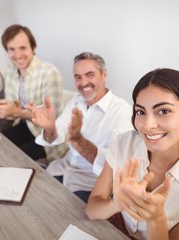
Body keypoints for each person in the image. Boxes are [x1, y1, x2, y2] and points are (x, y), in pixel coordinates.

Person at [86, 68, 179, 239]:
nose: (148, 125)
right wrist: (116, 203)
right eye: (141, 112)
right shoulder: (124, 143)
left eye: (163, 111)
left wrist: (156, 221)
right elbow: (92, 210)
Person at [26, 52, 134, 203]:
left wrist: (78, 141)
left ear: (104, 74)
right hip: (63, 168)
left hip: (90, 183)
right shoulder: (76, 102)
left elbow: (113, 164)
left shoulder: (122, 111)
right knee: (33, 196)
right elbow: (57, 134)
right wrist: (50, 128)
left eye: (90, 75)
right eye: (78, 77)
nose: (83, 82)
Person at [0, 24, 67, 161]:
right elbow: (14, 108)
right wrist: (3, 111)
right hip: (26, 126)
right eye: (11, 49)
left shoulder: (49, 73)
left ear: (33, 48)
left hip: (47, 136)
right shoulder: (11, 71)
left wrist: (15, 112)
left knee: (13, 159)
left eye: (23, 48)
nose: (17, 55)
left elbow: (51, 120)